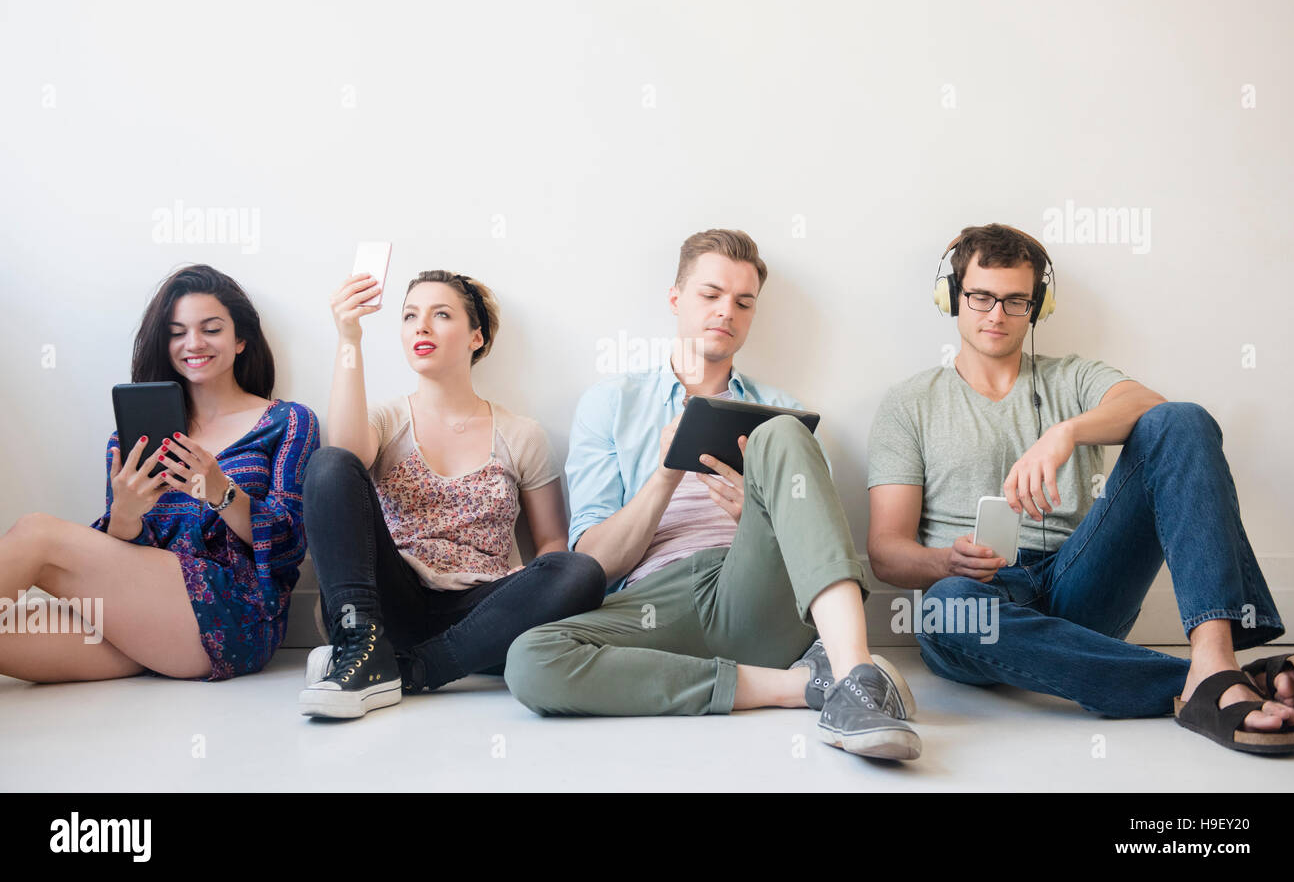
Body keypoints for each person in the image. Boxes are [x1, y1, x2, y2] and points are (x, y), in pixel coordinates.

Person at [866, 223, 1294, 755]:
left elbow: (1155, 409)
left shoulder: (1071, 378)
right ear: (952, 297)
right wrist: (945, 564)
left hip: (1082, 581)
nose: (996, 314)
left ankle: (1215, 657)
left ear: (1036, 306)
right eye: (980, 297)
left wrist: (1064, 433)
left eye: (1015, 301)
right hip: (979, 599)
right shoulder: (909, 403)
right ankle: (1215, 682)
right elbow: (886, 552)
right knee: (945, 607)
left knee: (1182, 420)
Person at [504, 229, 922, 760]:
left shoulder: (781, 411)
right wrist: (664, 474)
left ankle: (855, 676)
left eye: (743, 302)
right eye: (710, 294)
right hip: (654, 599)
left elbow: (820, 547)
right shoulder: (611, 404)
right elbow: (592, 563)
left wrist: (760, 515)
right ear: (676, 298)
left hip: (753, 590)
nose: (727, 311)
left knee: (785, 431)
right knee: (531, 660)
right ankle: (807, 685)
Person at [299, 268, 606, 719]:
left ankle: (408, 670)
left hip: (479, 612)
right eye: (409, 316)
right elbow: (341, 463)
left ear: (476, 337)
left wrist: (524, 594)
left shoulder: (522, 435)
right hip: (390, 603)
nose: (420, 326)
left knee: (580, 570)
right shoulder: (385, 421)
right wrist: (349, 338)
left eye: (441, 314)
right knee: (328, 463)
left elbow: (551, 546)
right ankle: (362, 646)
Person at [0, 264, 319, 682]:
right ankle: (150, 650)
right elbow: (117, 559)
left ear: (240, 339)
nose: (193, 343)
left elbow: (288, 548)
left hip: (234, 616)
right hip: (153, 624)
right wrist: (125, 516)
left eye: (211, 329)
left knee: (36, 533)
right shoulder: (132, 437)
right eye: (177, 332)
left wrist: (222, 492)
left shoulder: (288, 421)